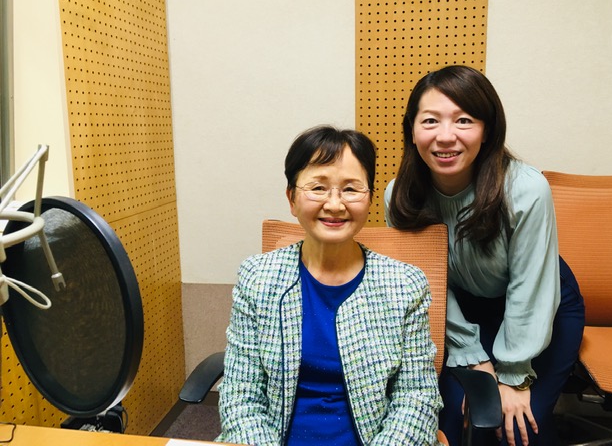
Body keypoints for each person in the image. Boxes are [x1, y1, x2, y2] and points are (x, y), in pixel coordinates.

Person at [384, 65, 585, 446]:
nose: (445, 136)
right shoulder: (401, 196)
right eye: (430, 121)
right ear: (411, 129)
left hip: (541, 304)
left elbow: (530, 289)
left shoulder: (525, 188)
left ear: (487, 129)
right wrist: (472, 357)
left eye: (464, 120)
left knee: (517, 430)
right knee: (453, 422)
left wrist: (513, 375)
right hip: (460, 311)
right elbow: (428, 285)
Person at [217, 125, 443, 446]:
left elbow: (416, 397)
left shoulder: (405, 284)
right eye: (318, 188)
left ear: (369, 198)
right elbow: (241, 395)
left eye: (350, 189)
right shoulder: (257, 277)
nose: (335, 204)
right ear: (292, 198)